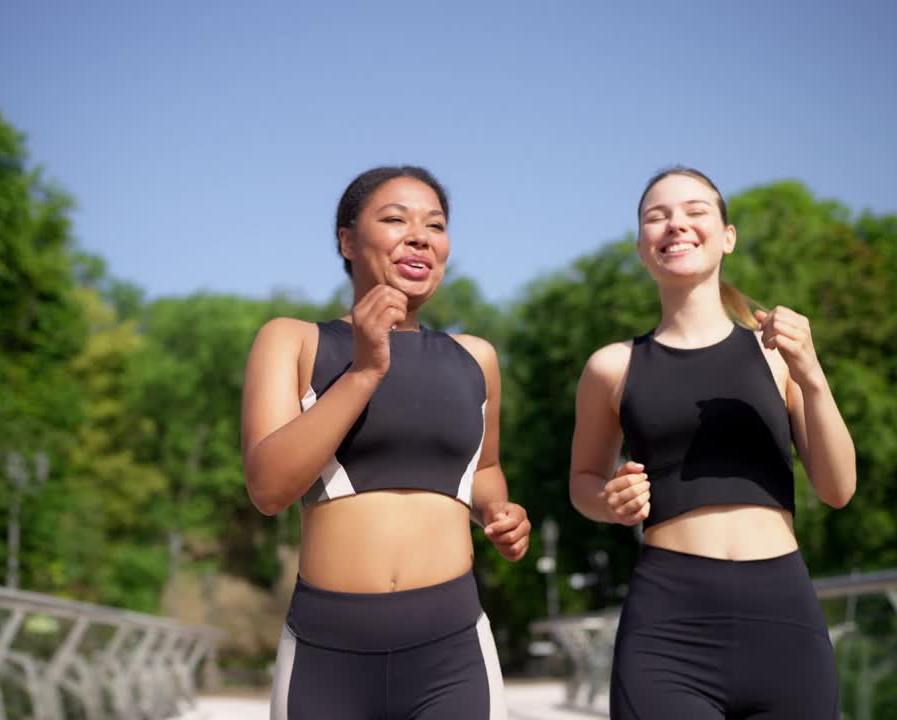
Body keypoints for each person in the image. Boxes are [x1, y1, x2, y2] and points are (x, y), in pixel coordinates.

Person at [241, 165, 530, 720]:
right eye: (395, 219)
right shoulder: (293, 340)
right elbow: (268, 488)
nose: (420, 235)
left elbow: (484, 469)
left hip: (453, 649)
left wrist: (500, 511)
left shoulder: (477, 359)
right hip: (326, 654)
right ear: (347, 242)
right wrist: (364, 372)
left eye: (435, 224)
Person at [569, 167, 856, 718]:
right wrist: (609, 502)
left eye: (695, 211)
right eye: (658, 216)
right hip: (667, 625)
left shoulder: (779, 355)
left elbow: (839, 489)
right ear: (641, 248)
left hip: (784, 619)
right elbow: (583, 482)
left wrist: (813, 375)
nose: (676, 223)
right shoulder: (612, 367)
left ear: (727, 236)